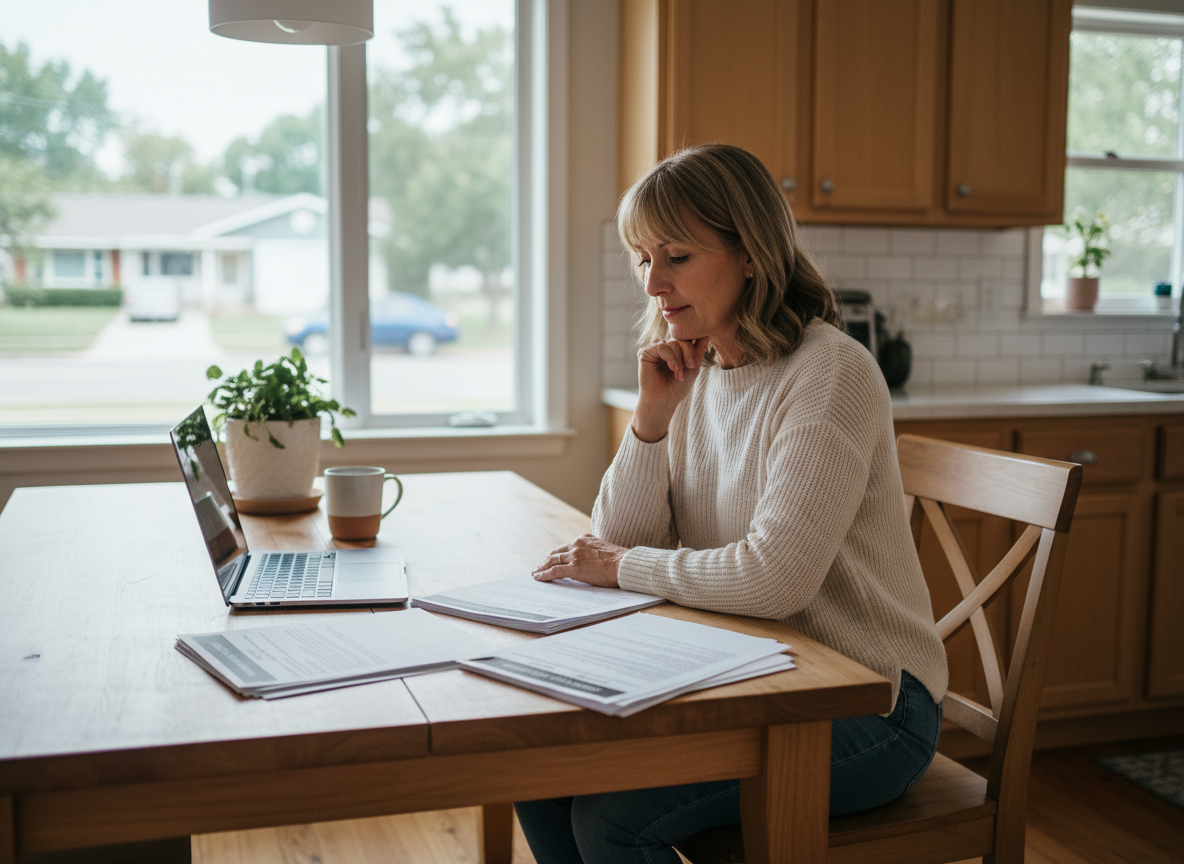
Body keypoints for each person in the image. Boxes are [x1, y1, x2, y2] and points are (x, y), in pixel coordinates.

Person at [514, 143, 948, 864]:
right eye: (643, 259)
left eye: (676, 256)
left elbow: (775, 579)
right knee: (540, 767)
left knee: (611, 821)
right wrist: (651, 420)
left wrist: (622, 566)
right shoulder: (699, 369)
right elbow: (616, 536)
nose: (654, 284)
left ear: (751, 253)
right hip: (749, 679)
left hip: (869, 704)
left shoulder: (829, 373)